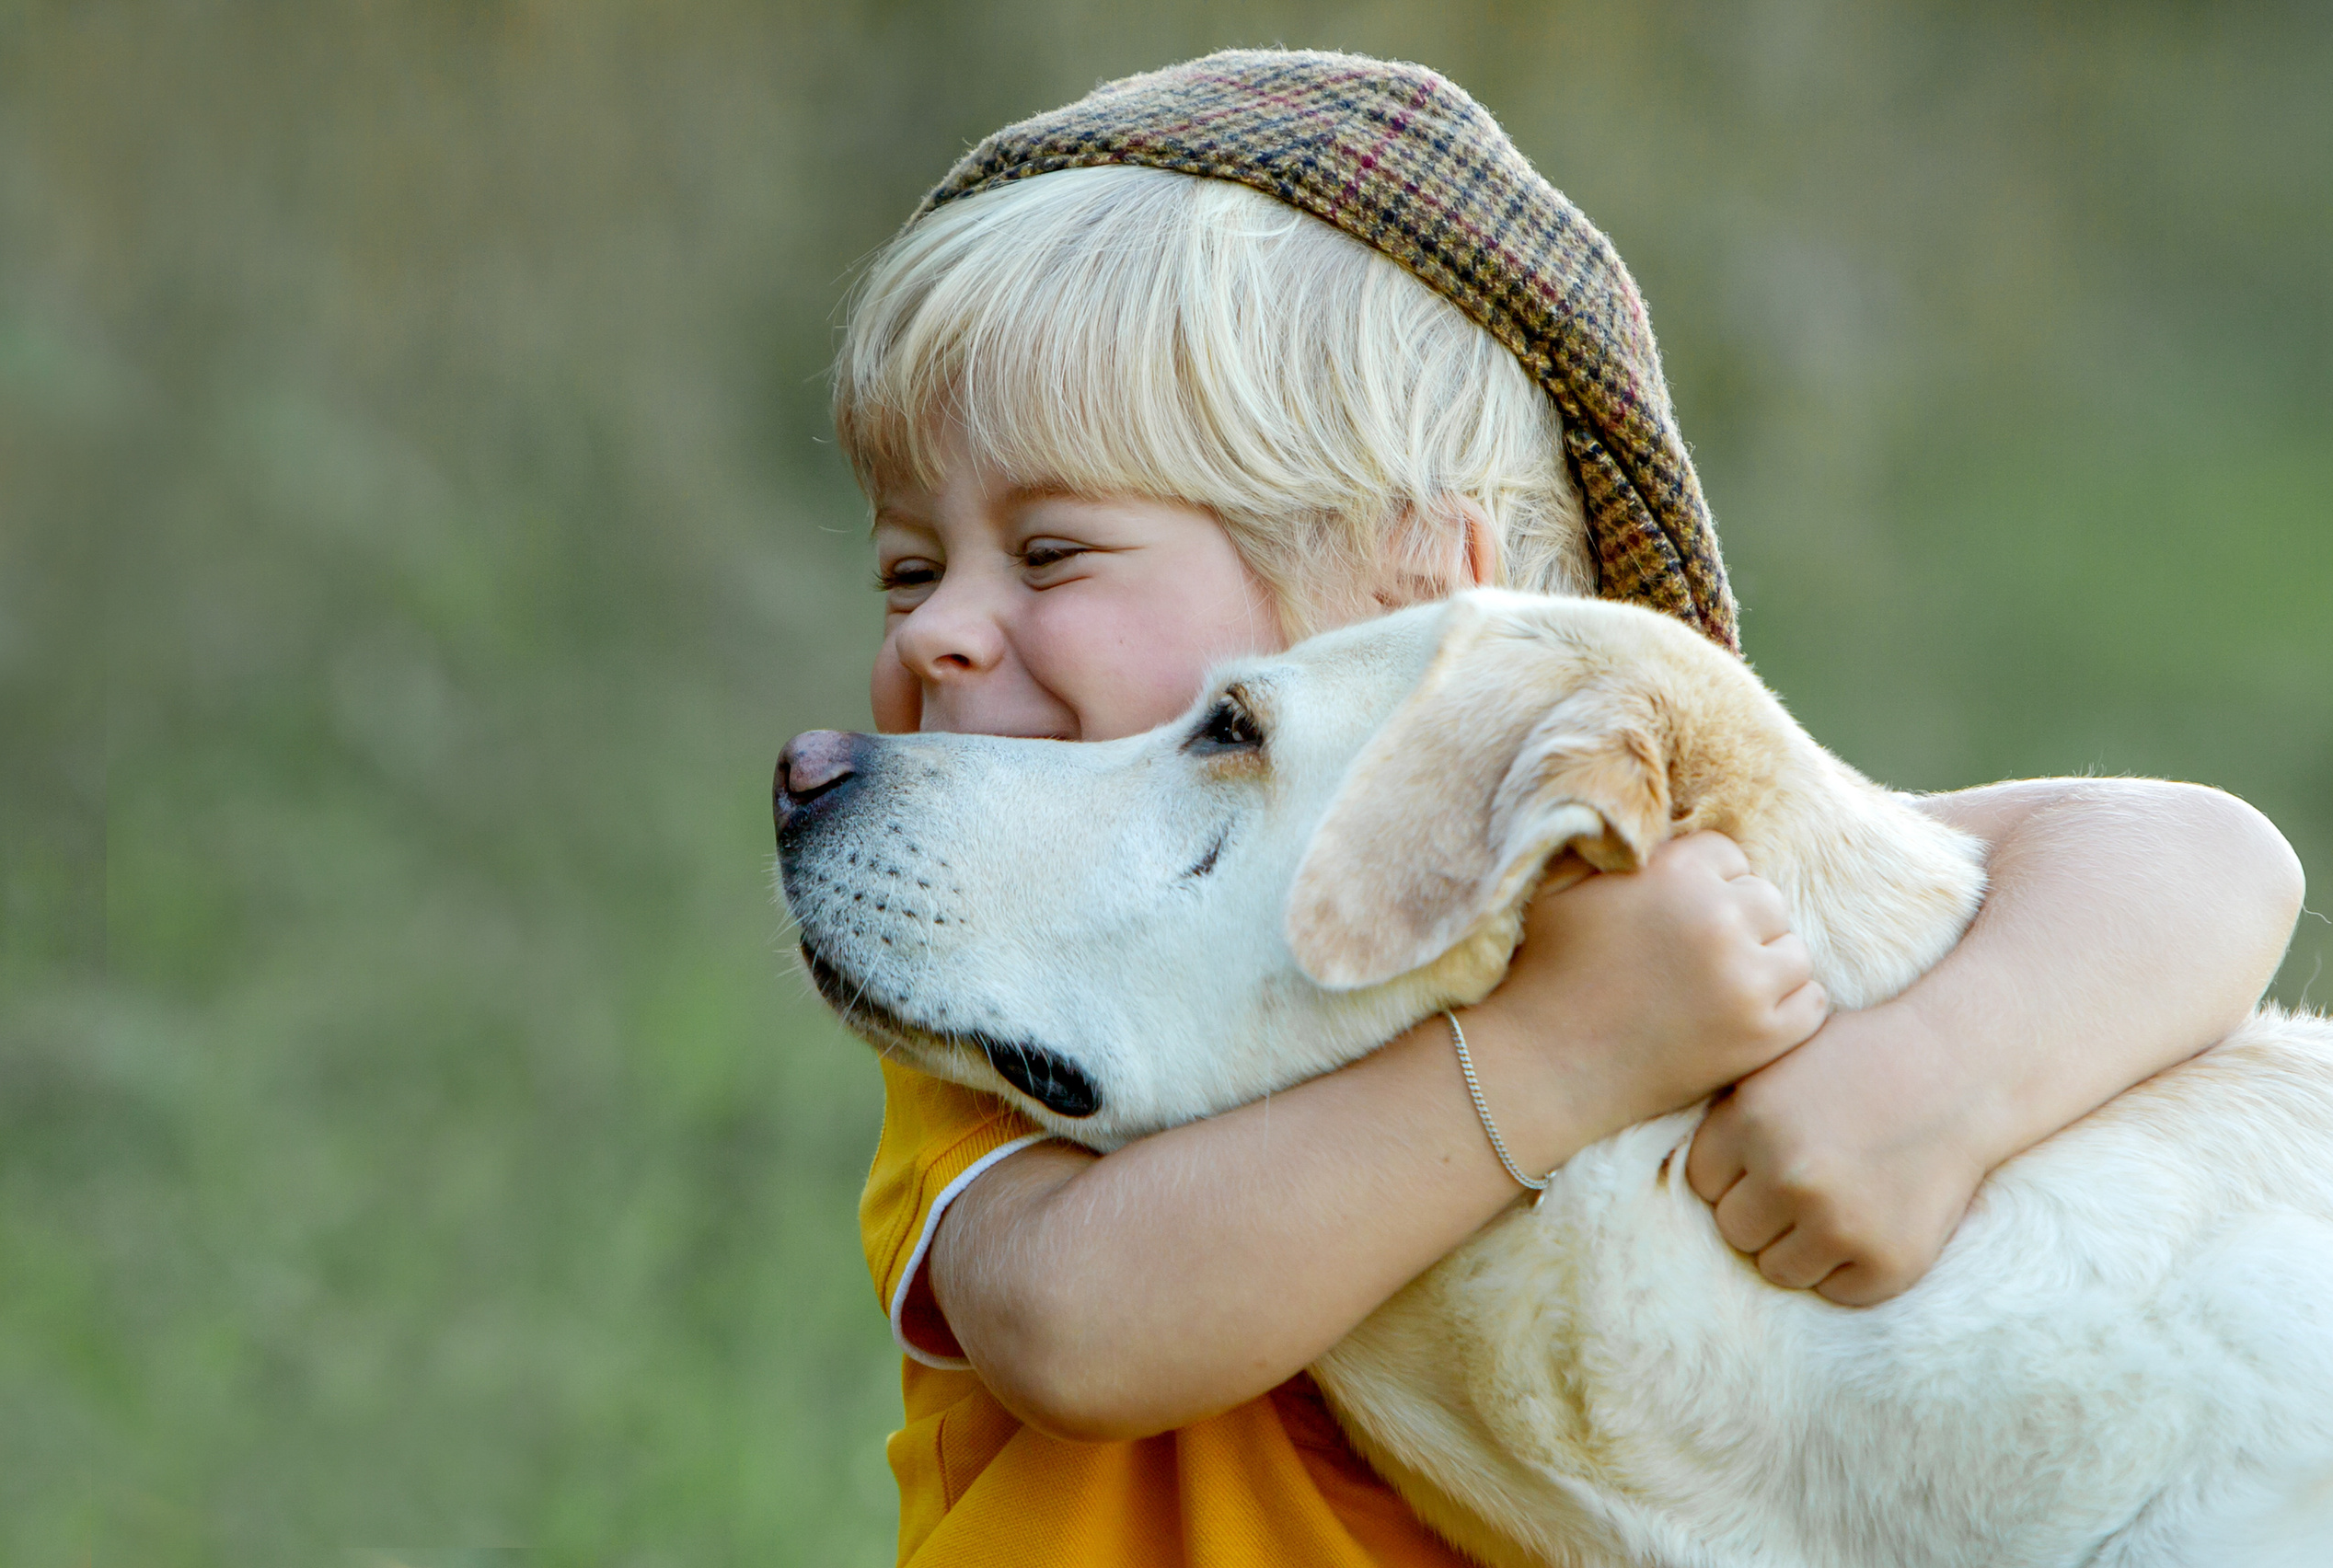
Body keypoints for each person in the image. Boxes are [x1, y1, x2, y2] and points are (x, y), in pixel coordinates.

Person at [824, 50, 2305, 1568]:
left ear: (1426, 598)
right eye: (907, 570)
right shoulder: (1025, 991)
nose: (935, 632)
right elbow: (1073, 1329)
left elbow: (2208, 860)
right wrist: (1557, 1059)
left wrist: (1928, 1078)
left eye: (1051, 553)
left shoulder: (1642, 894)